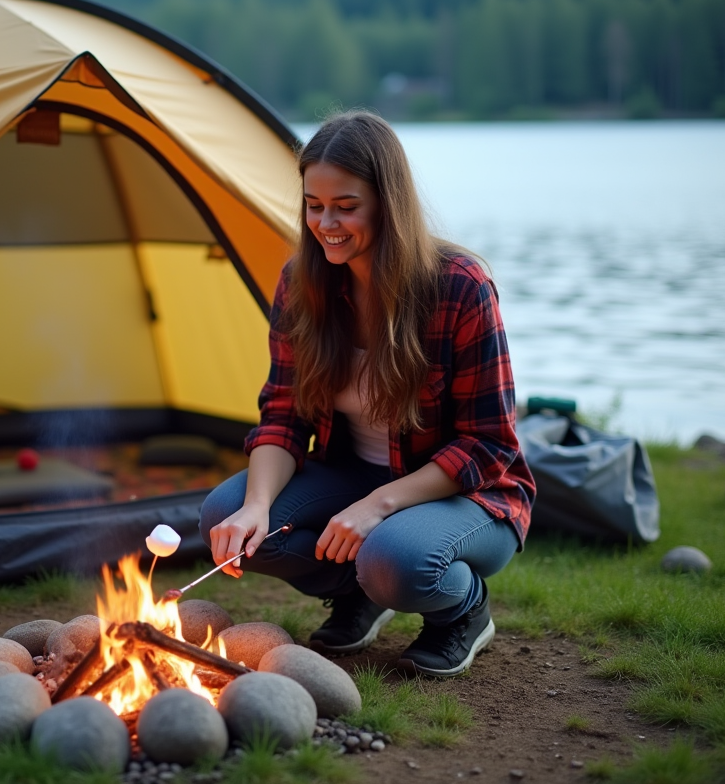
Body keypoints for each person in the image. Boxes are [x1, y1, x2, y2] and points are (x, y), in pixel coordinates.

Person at [199, 111, 535, 677]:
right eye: (314, 205)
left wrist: (377, 505)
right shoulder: (301, 284)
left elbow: (489, 445)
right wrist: (256, 507)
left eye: (345, 206)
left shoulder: (460, 286)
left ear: (387, 202)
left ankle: (463, 609)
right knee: (226, 515)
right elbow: (282, 414)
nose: (325, 223)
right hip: (350, 473)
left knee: (393, 559)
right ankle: (361, 592)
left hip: (468, 494)